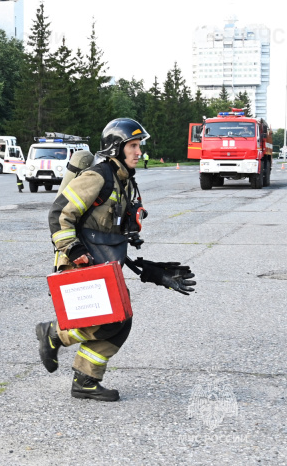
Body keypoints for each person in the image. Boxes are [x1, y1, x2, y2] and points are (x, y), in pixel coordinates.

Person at [37, 118, 196, 401]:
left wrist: (151, 270)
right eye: (133, 146)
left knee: (121, 320)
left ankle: (86, 380)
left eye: (139, 146)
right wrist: (72, 249)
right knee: (111, 320)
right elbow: (59, 213)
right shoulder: (98, 176)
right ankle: (54, 334)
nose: (139, 152)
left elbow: (114, 233)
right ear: (115, 148)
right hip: (82, 261)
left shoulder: (125, 182)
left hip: (104, 261)